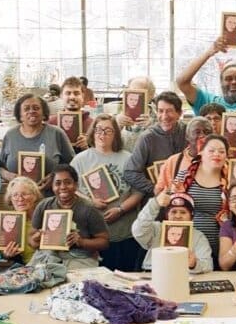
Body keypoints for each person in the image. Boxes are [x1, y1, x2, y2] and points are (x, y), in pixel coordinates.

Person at [70, 114, 143, 271]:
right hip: (92, 236)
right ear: (92, 132)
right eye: (98, 130)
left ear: (116, 134)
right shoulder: (79, 160)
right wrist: (90, 201)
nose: (102, 134)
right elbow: (70, 191)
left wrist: (120, 209)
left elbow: (138, 192)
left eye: (108, 130)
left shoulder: (128, 159)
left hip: (125, 233)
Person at [29, 165, 109, 270]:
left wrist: (81, 241)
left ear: (76, 185)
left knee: (76, 283)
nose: (63, 187)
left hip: (80, 257)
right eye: (57, 183)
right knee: (32, 279)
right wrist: (36, 239)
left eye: (68, 182)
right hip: (48, 255)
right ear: (52, 187)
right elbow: (31, 240)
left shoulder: (89, 209)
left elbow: (104, 242)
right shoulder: (44, 205)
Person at [0, 94, 73, 195]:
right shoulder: (10, 135)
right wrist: (8, 176)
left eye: (36, 108)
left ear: (44, 113)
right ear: (20, 115)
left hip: (50, 197)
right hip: (18, 200)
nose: (31, 111)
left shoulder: (56, 134)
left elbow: (72, 164)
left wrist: (55, 177)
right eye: (26, 109)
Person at [122, 92, 186, 198]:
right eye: (160, 111)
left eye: (169, 111)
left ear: (179, 113)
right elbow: (130, 172)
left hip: (184, 197)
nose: (164, 116)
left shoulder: (188, 133)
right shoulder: (147, 138)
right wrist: (154, 189)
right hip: (157, 199)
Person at [132, 192, 213, 273]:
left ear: (191, 216)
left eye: (183, 212)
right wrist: (154, 203)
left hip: (185, 276)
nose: (178, 216)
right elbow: (138, 231)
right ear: (167, 214)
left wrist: (194, 264)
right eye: (173, 212)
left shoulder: (198, 236)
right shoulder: (156, 229)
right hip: (154, 273)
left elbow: (208, 266)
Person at [0, 176, 41, 263]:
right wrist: (7, 254)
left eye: (25, 194)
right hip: (21, 269)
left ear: (35, 196)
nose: (20, 199)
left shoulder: (44, 219)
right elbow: (3, 255)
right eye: (15, 195)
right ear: (10, 199)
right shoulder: (6, 222)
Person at [48, 77, 94, 150]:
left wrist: (88, 146)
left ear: (82, 96)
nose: (72, 97)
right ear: (61, 96)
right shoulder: (51, 123)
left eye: (76, 93)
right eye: (68, 93)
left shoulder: (92, 125)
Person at [115, 75, 157, 150]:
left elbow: (163, 144)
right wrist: (117, 125)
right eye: (132, 91)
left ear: (151, 95)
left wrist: (151, 128)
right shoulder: (118, 115)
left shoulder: (158, 117)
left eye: (140, 92)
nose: (135, 95)